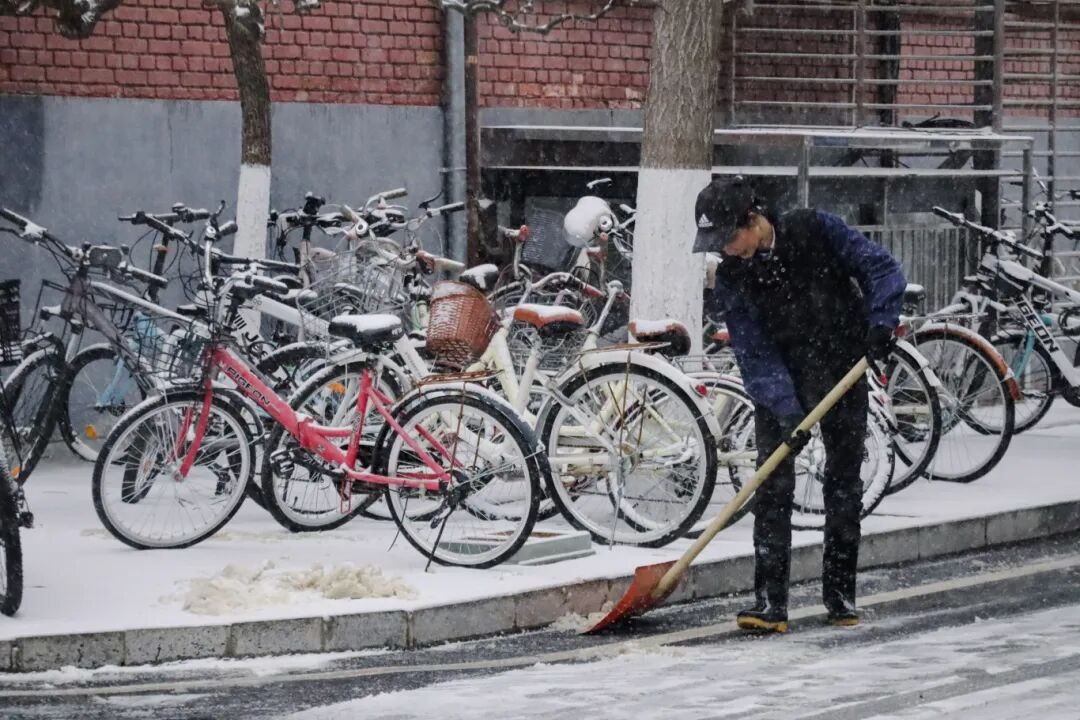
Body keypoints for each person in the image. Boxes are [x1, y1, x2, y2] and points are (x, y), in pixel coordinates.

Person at [692, 176, 906, 633]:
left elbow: (881, 268)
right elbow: (753, 349)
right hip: (781, 379)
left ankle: (840, 596)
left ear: (753, 219)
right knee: (772, 486)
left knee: (843, 481)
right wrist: (785, 407)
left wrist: (881, 323)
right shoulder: (733, 276)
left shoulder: (814, 229)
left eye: (729, 238)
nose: (726, 251)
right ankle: (770, 603)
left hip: (842, 367)